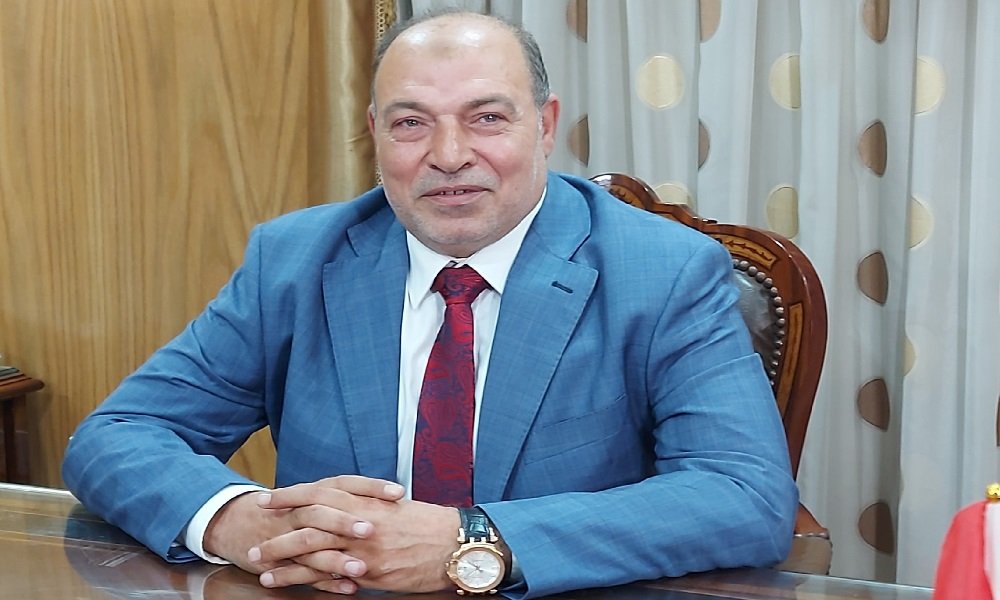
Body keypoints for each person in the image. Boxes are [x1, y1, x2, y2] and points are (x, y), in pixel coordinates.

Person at [62, 9, 797, 599]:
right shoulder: (295, 260)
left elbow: (744, 497)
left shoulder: (663, 271)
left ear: (544, 126)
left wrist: (471, 541)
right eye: (411, 122)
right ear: (376, 135)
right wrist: (236, 520)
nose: (448, 155)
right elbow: (118, 434)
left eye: (487, 118)